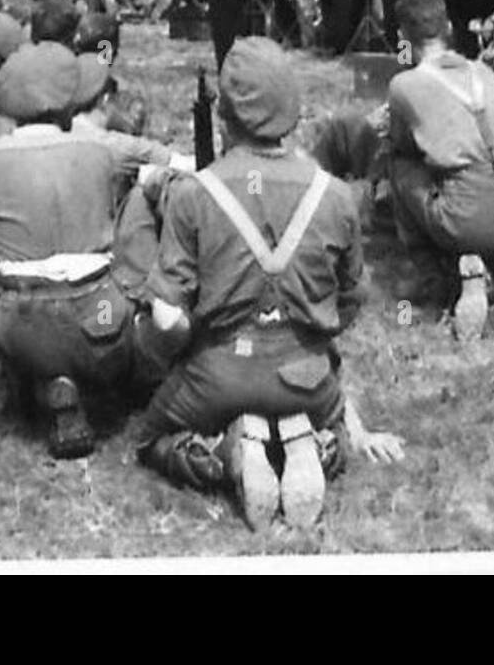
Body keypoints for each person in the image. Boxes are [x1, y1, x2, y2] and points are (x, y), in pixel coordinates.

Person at [136, 39, 400, 529]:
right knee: (323, 410)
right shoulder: (337, 195)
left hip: (217, 377)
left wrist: (167, 350)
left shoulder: (194, 193)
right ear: (295, 112)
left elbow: (168, 318)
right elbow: (353, 297)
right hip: (306, 378)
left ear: (224, 118)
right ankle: (316, 445)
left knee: (152, 439)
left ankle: (226, 452)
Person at [0, 43, 133, 457]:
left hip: (19, 322)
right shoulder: (102, 152)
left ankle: (42, 379)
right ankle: (102, 382)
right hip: (101, 319)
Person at [386, 0, 494, 337]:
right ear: (450, 30)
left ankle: (434, 278)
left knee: (398, 164)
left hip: (470, 219)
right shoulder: (482, 73)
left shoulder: (404, 85)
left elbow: (403, 146)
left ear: (403, 39)